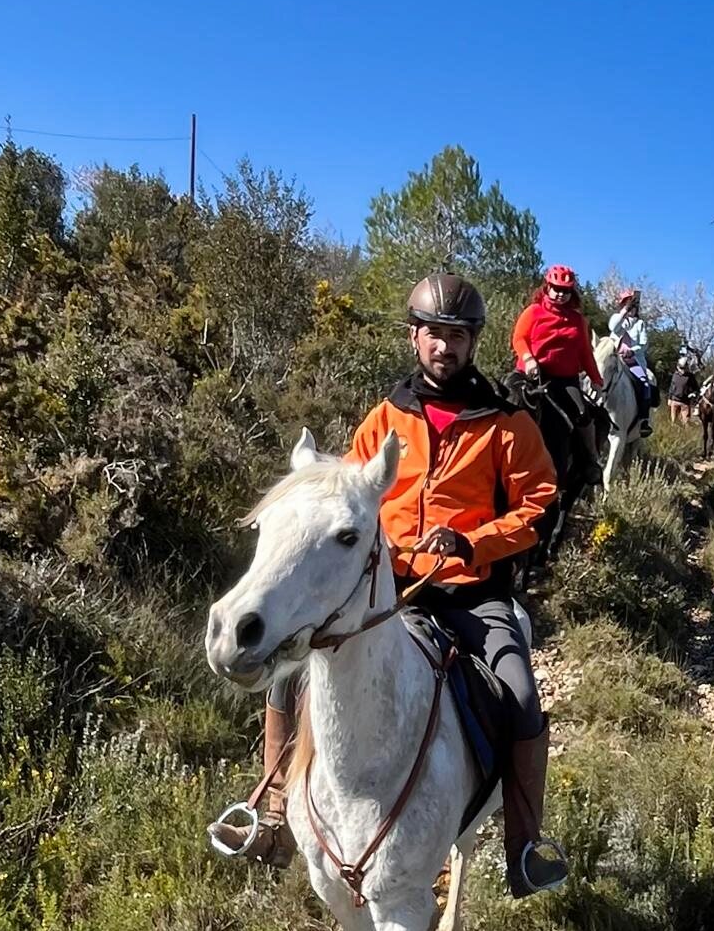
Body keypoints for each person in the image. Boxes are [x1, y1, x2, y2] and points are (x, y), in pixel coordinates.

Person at [209, 273, 569, 898]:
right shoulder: (384, 419)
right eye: (434, 334)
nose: (445, 347)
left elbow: (539, 505)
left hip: (470, 592)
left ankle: (524, 844)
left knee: (518, 694)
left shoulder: (508, 424)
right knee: (291, 672)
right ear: (414, 337)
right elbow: (348, 501)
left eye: (458, 336)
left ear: (474, 342)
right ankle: (272, 815)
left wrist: (472, 541)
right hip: (385, 588)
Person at [510, 264, 603, 483]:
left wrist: (596, 379)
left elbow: (585, 353)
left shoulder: (578, 320)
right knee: (507, 399)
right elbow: (519, 338)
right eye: (556, 289)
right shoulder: (533, 312)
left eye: (566, 290)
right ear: (547, 287)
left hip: (564, 380)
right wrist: (528, 358)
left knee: (582, 413)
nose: (560, 294)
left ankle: (590, 459)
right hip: (532, 374)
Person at [607, 287, 659, 426]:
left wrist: (633, 351)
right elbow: (613, 327)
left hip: (632, 361)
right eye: (627, 304)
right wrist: (624, 311)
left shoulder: (640, 324)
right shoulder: (617, 319)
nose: (631, 308)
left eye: (633, 305)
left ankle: (643, 419)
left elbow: (644, 344)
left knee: (644, 383)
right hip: (614, 358)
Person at [667, 353, 700, 424]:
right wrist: (669, 398)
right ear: (678, 367)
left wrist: (693, 393)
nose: (683, 370)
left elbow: (697, 389)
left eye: (684, 368)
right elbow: (671, 387)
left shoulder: (690, 377)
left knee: (685, 423)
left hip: (685, 402)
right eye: (681, 368)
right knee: (673, 422)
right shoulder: (675, 375)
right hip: (674, 401)